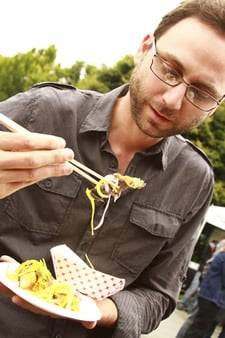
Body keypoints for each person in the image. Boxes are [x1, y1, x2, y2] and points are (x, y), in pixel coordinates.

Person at [0, 0, 224, 337]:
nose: (172, 100)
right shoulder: (41, 113)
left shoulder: (194, 180)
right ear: (145, 47)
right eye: (169, 70)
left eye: (202, 92)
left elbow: (160, 295)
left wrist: (101, 310)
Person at [175, 250, 225, 338]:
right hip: (211, 297)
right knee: (198, 328)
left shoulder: (221, 255)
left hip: (209, 295)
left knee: (198, 326)